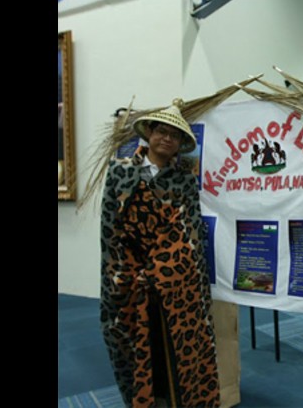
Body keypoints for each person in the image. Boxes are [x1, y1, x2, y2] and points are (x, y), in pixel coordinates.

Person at [99, 99, 220, 407]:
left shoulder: (183, 180)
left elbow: (190, 232)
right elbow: (111, 228)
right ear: (149, 133)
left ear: (180, 144)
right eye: (162, 131)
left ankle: (169, 399)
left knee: (173, 346)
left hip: (173, 282)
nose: (167, 139)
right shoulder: (119, 171)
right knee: (133, 343)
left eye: (174, 135)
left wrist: (167, 272)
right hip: (128, 278)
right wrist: (125, 273)